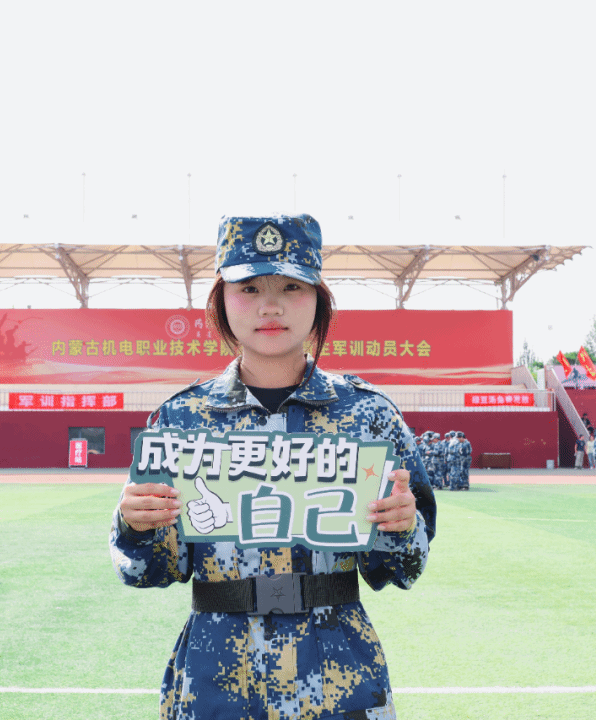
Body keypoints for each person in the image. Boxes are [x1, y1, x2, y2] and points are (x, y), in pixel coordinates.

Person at [110, 214, 436, 720]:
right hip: (215, 681)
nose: (270, 306)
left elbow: (401, 569)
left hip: (338, 680)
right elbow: (152, 571)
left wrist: (400, 525)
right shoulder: (181, 419)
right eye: (248, 288)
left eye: (291, 286)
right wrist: (135, 525)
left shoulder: (368, 415)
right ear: (221, 298)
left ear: (318, 297)